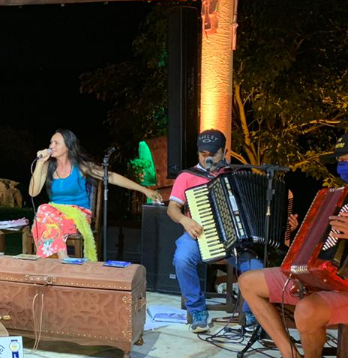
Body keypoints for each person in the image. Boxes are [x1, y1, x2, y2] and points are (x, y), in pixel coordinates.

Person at [238, 133, 348, 358]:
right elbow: (324, 243)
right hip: (322, 277)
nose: (343, 165)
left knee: (307, 309)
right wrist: (300, 234)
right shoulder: (340, 198)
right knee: (248, 282)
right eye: (341, 161)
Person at [167, 129, 263, 334]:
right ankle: (197, 310)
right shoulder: (187, 176)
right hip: (199, 235)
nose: (207, 158)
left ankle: (250, 312)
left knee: (256, 266)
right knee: (182, 259)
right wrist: (185, 220)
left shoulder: (234, 175)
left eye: (213, 154)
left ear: (224, 152)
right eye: (203, 154)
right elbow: (172, 208)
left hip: (233, 238)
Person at [29, 129, 162, 260]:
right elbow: (33, 192)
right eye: (51, 142)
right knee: (44, 212)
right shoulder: (47, 166)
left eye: (56, 143)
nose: (51, 146)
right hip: (54, 215)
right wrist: (40, 163)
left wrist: (145, 190)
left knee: (43, 215)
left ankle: (58, 258)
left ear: (68, 146)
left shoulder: (81, 166)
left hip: (78, 215)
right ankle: (63, 257)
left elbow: (111, 177)